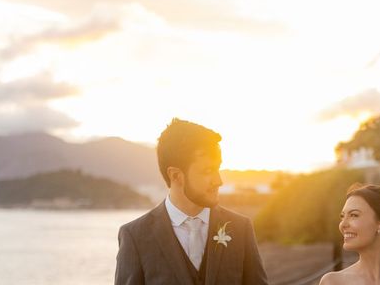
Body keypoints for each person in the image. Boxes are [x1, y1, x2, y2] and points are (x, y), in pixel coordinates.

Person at [115, 118, 268, 285]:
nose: (218, 181)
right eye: (207, 171)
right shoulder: (135, 236)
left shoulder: (240, 228)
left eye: (217, 169)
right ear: (176, 175)